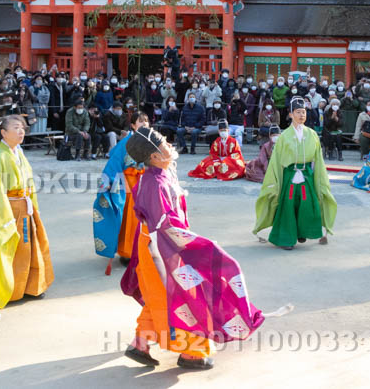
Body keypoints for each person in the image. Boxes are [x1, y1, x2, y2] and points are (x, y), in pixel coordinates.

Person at [120, 126, 267, 370]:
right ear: (154, 156)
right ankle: (193, 353)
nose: (169, 144)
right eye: (164, 143)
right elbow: (164, 226)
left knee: (160, 296)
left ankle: (141, 342)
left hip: (157, 246)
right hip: (162, 249)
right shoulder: (154, 183)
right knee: (187, 295)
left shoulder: (158, 175)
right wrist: (196, 246)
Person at [0, 115, 54, 319]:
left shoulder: (19, 154)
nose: (21, 131)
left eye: (22, 128)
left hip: (25, 208)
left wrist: (34, 206)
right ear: (3, 133)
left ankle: (30, 287)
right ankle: (11, 290)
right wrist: (4, 219)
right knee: (13, 251)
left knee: (30, 249)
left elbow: (29, 183)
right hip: (8, 210)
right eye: (16, 127)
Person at [253, 97, 337, 250]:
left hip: (307, 175)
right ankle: (286, 238)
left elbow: (318, 159)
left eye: (303, 112)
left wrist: (321, 179)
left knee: (307, 204)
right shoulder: (284, 136)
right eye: (298, 112)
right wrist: (274, 181)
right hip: (290, 175)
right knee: (288, 205)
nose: (301, 115)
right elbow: (277, 161)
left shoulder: (312, 134)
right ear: (291, 114)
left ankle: (302, 231)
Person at [94, 114, 148, 270]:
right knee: (130, 219)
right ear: (133, 125)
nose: (144, 123)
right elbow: (114, 163)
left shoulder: (150, 142)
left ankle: (144, 250)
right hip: (129, 185)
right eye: (141, 121)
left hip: (145, 184)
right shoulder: (125, 143)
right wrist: (109, 181)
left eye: (146, 121)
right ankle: (128, 252)